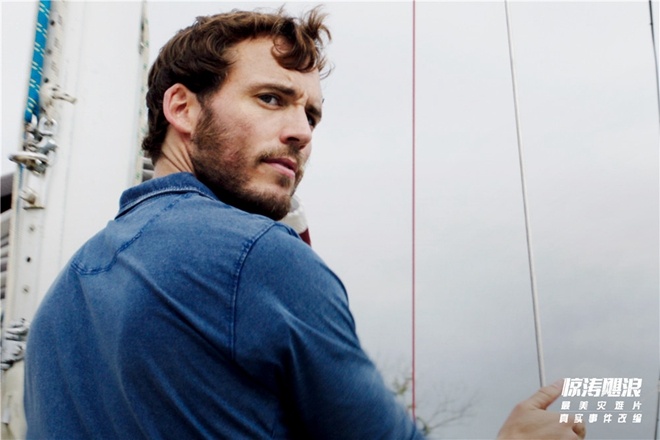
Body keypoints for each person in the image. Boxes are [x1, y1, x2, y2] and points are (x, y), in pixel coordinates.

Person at [24, 7, 586, 439]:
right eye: (272, 99)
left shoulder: (56, 308)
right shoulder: (257, 256)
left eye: (311, 113)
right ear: (183, 108)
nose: (301, 132)